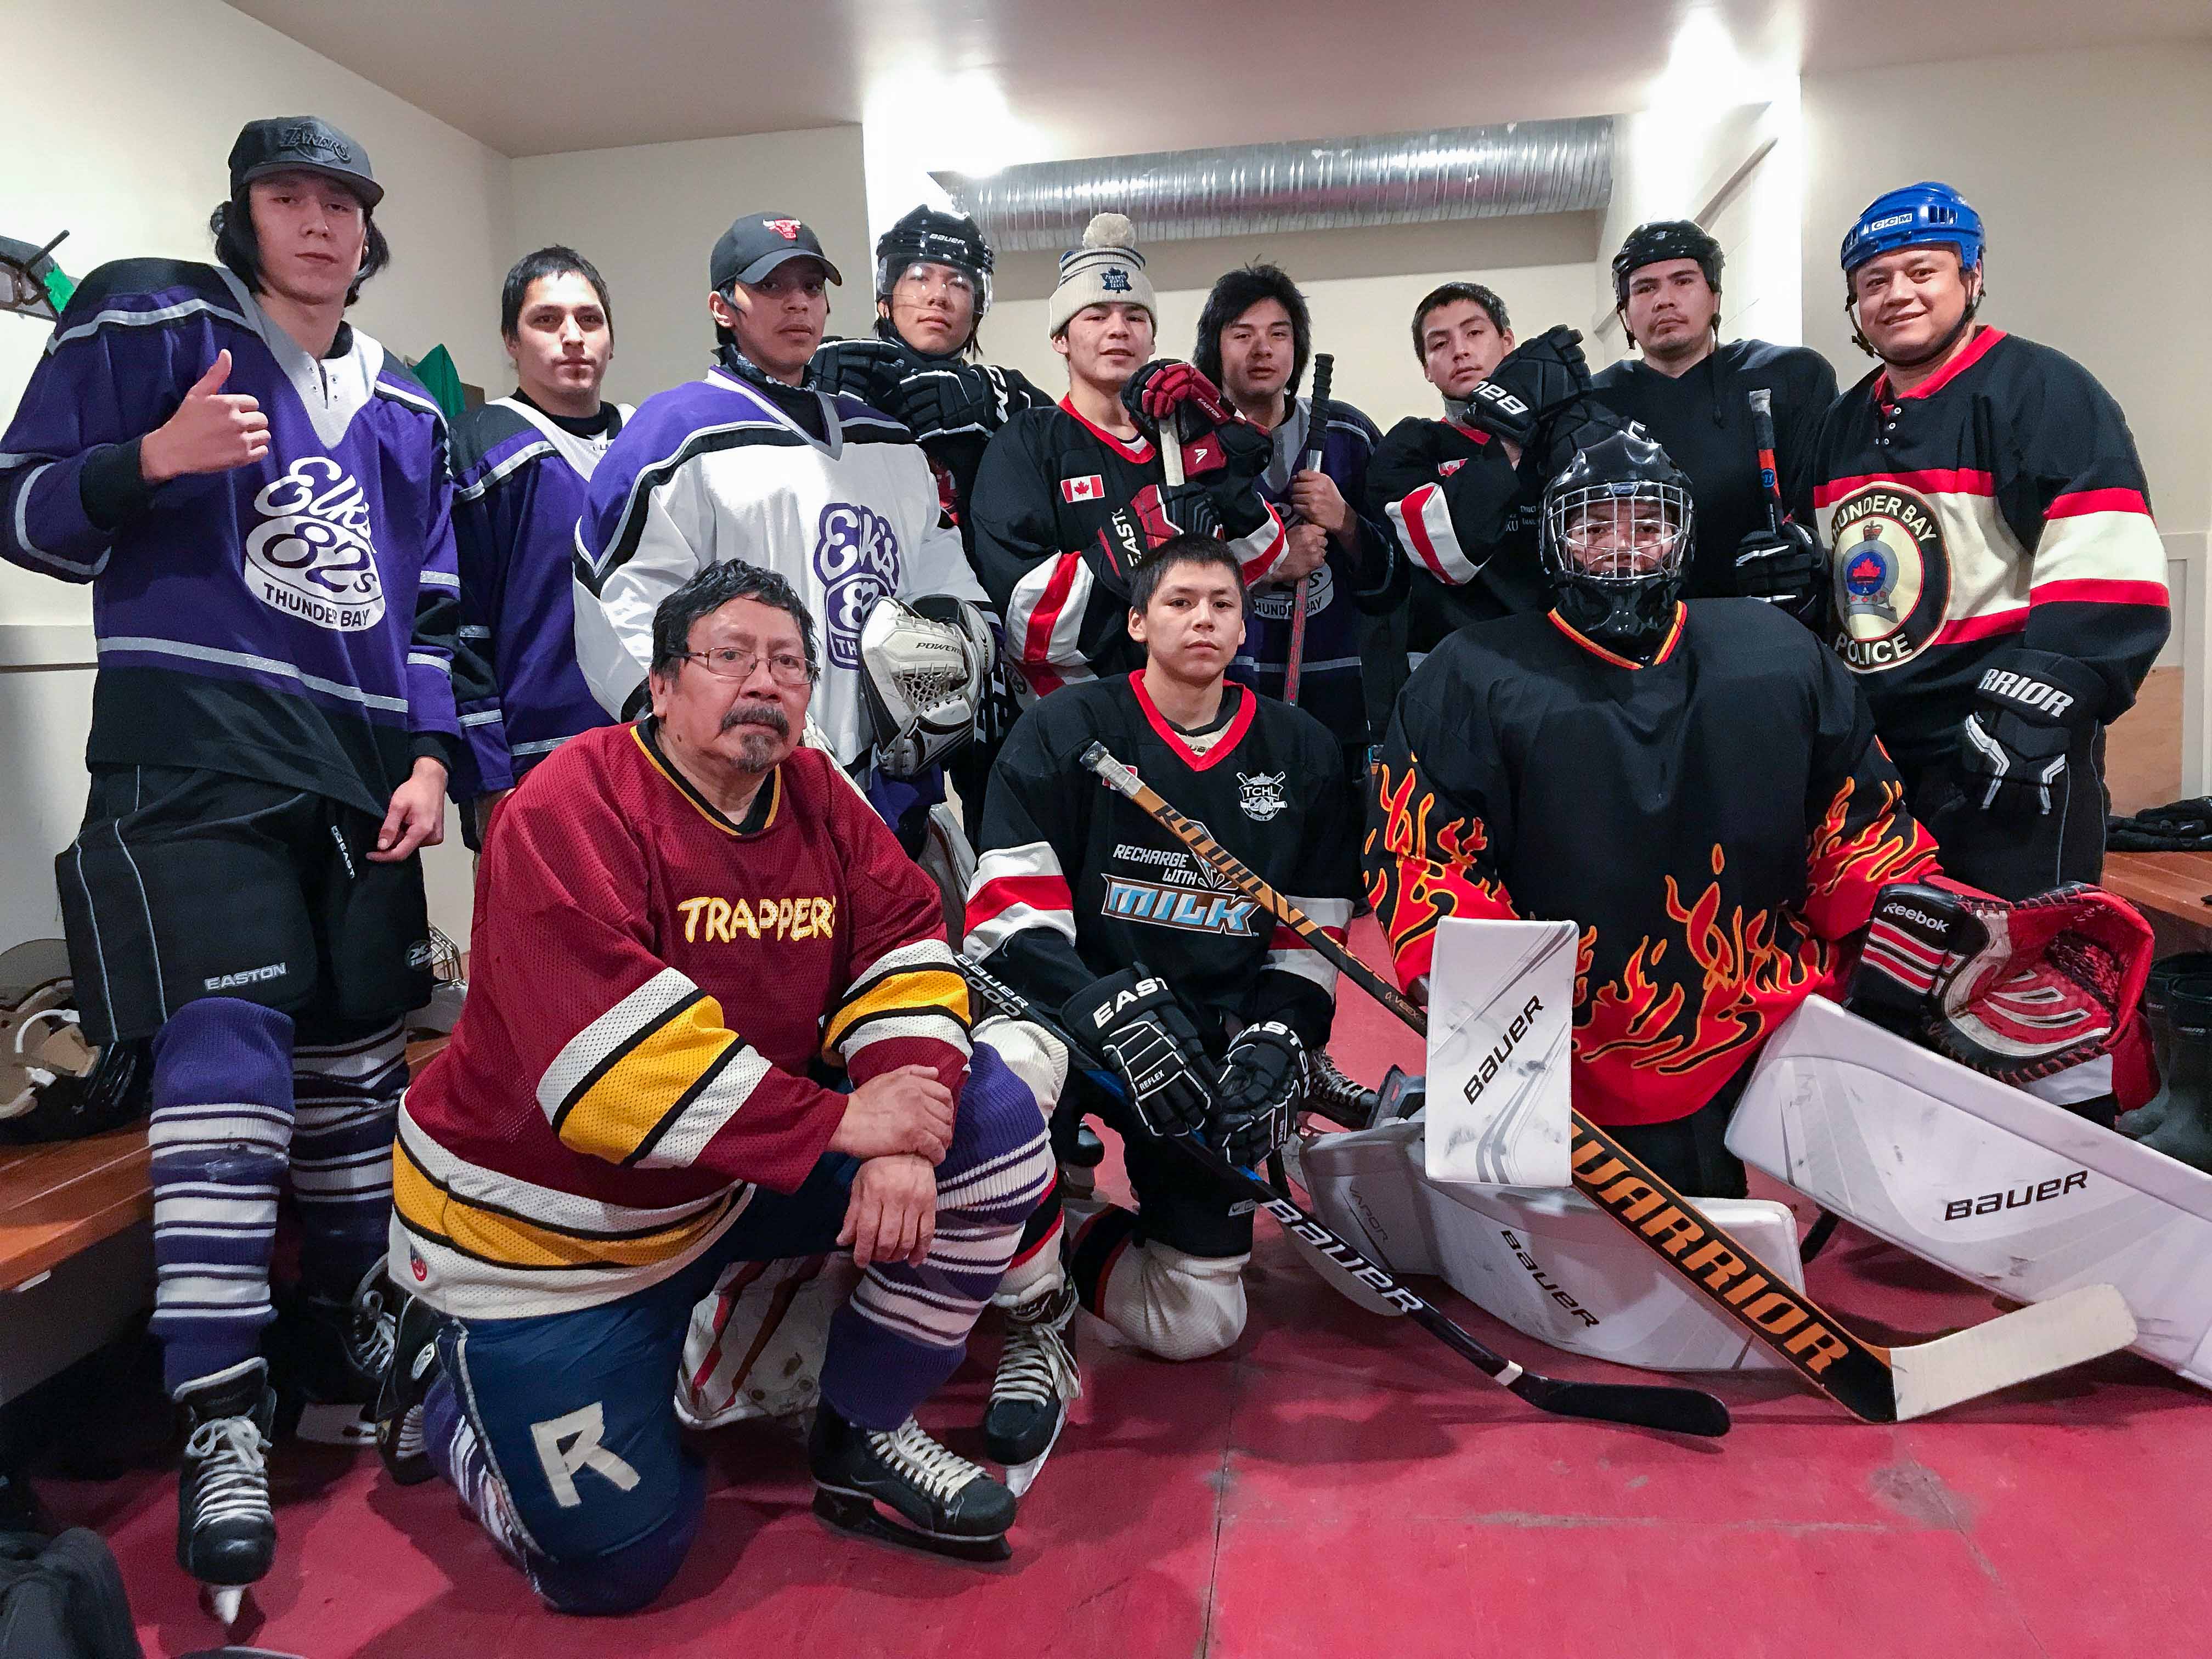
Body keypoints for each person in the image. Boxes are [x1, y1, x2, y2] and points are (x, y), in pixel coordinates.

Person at [376, 561, 1056, 1607]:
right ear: (659, 686)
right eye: (728, 655)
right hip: (542, 1234)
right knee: (614, 1568)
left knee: (995, 1129)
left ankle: (860, 1427)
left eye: (788, 661)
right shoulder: (567, 803)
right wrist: (843, 1119)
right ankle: (452, 1394)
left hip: (719, 1185)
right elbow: (602, 1077)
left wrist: (905, 1131)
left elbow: (907, 947)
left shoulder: (818, 798)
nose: (764, 681)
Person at [0, 117, 461, 1616]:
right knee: (226, 1058)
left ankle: (354, 1323)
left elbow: (437, 606)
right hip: (191, 752)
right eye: (288, 198)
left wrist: (434, 759)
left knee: (349, 1073)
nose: (320, 224)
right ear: (242, 210)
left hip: (358, 772)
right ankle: (218, 1412)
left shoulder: (407, 406)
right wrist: (148, 462)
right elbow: (22, 508)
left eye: (343, 202)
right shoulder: (152, 311)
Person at [1367, 430, 1940, 1197]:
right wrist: (1483, 995)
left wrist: (1911, 937)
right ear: (1554, 538)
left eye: (1647, 524)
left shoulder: (1777, 651)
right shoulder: (1470, 674)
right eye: (1593, 526)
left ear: (1682, 535)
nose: (1622, 549)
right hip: (1554, 1028)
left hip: (1752, 1006)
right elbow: (1424, 853)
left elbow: (1856, 820)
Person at [963, 533, 1358, 1482]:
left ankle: (1067, 1225)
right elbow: (1005, 925)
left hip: (1202, 1055)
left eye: (1222, 603)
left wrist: (1276, 1032)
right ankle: (1028, 1304)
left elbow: (1308, 938)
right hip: (1073, 1023)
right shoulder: (1066, 729)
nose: (1204, 619)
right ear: (1138, 621)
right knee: (1005, 1072)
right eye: (1180, 601)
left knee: (1197, 1319)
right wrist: (1111, 1007)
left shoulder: (1300, 750)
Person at [1813, 182, 2169, 899]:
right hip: (1881, 756)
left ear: (1971, 276)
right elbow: (1858, 584)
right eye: (1874, 281)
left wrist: (2042, 705)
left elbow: (2109, 564)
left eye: (1922, 271)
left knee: (2019, 985)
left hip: (2009, 748)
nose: (1897, 295)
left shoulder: (2042, 390)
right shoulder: (1842, 422)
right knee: (1892, 980)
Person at [570, 212, 989, 796]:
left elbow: (942, 575)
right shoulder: (670, 435)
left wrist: (952, 661)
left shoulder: (887, 440)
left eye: (811, 288)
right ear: (722, 307)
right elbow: (618, 602)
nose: (797, 304)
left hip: (893, 777)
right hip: (739, 784)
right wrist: (694, 743)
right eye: (771, 287)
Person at [970, 213, 1287, 698]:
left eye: (1135, 316)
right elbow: (1027, 628)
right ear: (1060, 338)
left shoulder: (1181, 435)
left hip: (1197, 710)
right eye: (1096, 315)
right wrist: (1133, 546)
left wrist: (1233, 489)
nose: (1118, 329)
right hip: (1084, 724)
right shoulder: (1027, 444)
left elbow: (1261, 567)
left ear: (1153, 338)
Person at [811, 205, 1053, 832]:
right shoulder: (832, 370)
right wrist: (806, 388)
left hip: (984, 647)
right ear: (887, 291)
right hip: (856, 642)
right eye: (920, 276)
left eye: (960, 282)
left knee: (1008, 824)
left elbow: (1069, 440)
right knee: (869, 830)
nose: (939, 295)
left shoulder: (1008, 394)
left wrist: (991, 400)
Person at [1192, 263, 1400, 803]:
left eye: (1277, 334)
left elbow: (1392, 582)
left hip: (1338, 698)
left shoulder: (1348, 434)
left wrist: (1346, 522)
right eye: (1243, 335)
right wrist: (1271, 566)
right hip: (1225, 694)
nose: (1262, 349)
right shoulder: (1190, 446)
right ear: (1215, 349)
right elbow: (1168, 574)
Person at [448, 246, 629, 844]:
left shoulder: (653, 441)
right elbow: (457, 627)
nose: (572, 337)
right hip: (540, 765)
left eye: (590, 319)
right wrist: (487, 780)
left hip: (665, 756)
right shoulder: (481, 448)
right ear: (511, 340)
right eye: (547, 320)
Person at [1366, 284, 1617, 676]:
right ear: (1427, 369)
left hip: (1571, 657)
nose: (1460, 350)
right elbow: (1446, 554)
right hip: (1454, 668)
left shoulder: (1567, 434)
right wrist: (1511, 431)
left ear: (1507, 342)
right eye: (1439, 344)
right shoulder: (1408, 447)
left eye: (1474, 333)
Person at [1589, 221, 1838, 616]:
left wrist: (1811, 556)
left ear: (1715, 296)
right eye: (1645, 287)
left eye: (1683, 281)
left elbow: (1831, 511)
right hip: (1637, 632)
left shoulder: (1791, 376)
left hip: (1766, 627)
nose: (1664, 301)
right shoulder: (1592, 402)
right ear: (1625, 312)